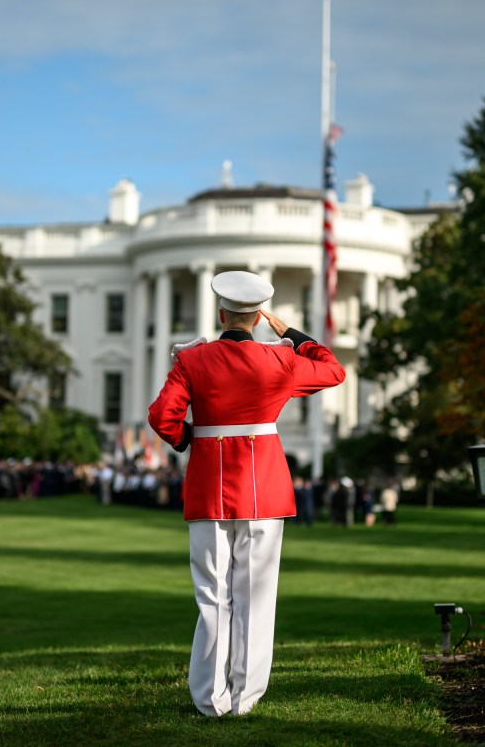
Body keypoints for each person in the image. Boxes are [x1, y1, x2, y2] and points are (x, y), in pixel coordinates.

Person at [148, 270, 345, 717]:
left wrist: (187, 439)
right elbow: (334, 369)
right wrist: (293, 335)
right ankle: (245, 699)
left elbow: (163, 416)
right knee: (256, 594)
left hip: (209, 485)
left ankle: (208, 699)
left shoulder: (192, 360)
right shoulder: (282, 361)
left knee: (212, 595)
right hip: (264, 486)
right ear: (257, 318)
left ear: (221, 314)